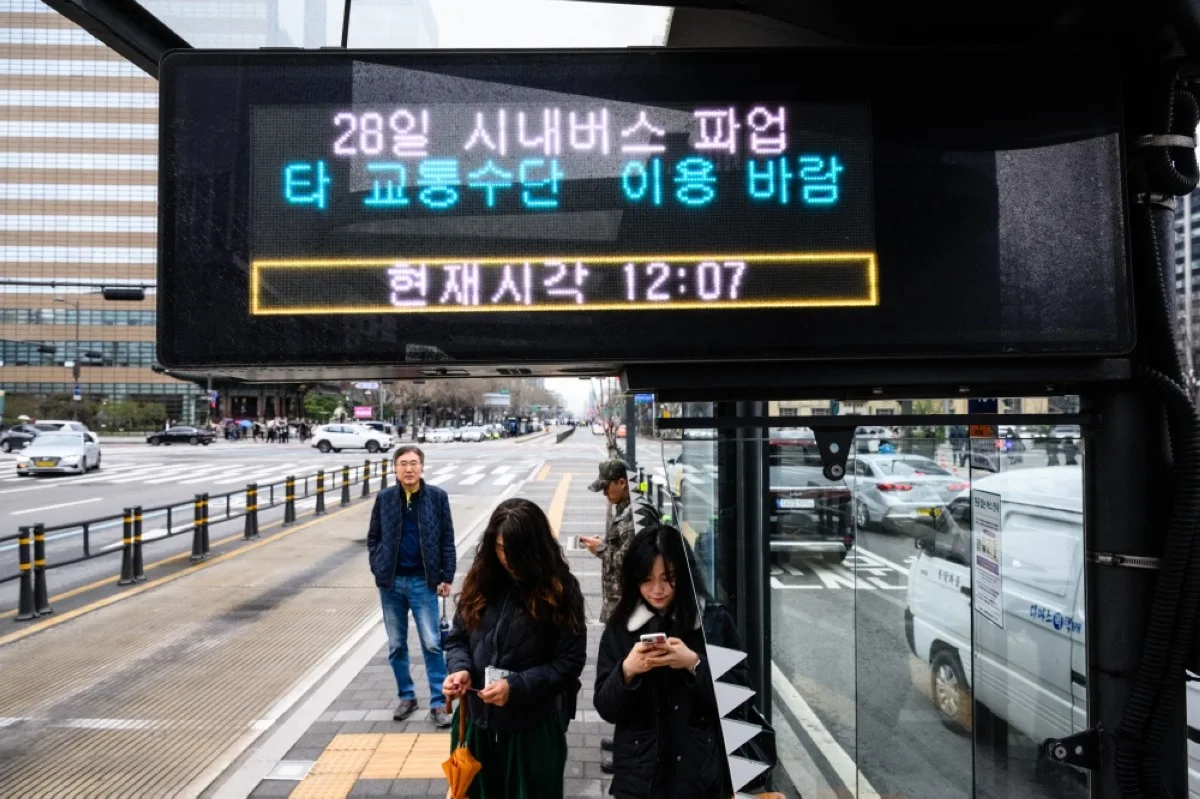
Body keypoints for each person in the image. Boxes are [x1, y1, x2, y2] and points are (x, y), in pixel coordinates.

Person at [442, 498, 587, 799]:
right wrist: (460, 670)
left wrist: (516, 686)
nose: (506, 558)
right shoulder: (481, 580)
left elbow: (569, 662)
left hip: (533, 732)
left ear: (535, 547)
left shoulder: (560, 589)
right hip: (476, 726)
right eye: (499, 547)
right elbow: (457, 638)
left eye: (514, 550)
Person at [593, 524, 744, 799]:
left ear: (684, 575)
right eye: (647, 579)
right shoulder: (620, 627)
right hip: (639, 779)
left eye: (669, 577)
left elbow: (741, 701)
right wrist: (627, 671)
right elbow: (606, 707)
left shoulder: (713, 621)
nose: (657, 590)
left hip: (700, 778)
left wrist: (695, 664)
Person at [367, 445, 457, 727]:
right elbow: (373, 538)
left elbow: (446, 540)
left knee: (431, 644)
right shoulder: (384, 499)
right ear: (395, 468)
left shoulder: (437, 498)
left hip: (423, 582)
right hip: (391, 583)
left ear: (422, 467)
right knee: (396, 646)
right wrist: (379, 567)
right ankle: (407, 696)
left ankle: (438, 703)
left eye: (414, 463)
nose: (408, 469)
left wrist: (446, 576)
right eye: (403, 463)